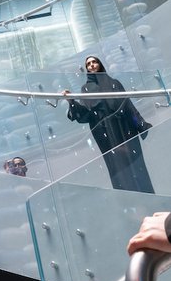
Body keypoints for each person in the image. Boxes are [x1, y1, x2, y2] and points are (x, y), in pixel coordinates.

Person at [63, 54, 154, 193]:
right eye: (88, 64)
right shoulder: (86, 89)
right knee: (117, 166)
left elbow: (127, 105)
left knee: (136, 164)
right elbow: (86, 114)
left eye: (94, 62)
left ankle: (148, 197)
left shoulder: (114, 83)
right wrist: (71, 102)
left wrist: (140, 123)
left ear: (100, 64)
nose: (92, 65)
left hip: (124, 127)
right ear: (87, 68)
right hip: (105, 132)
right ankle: (130, 203)